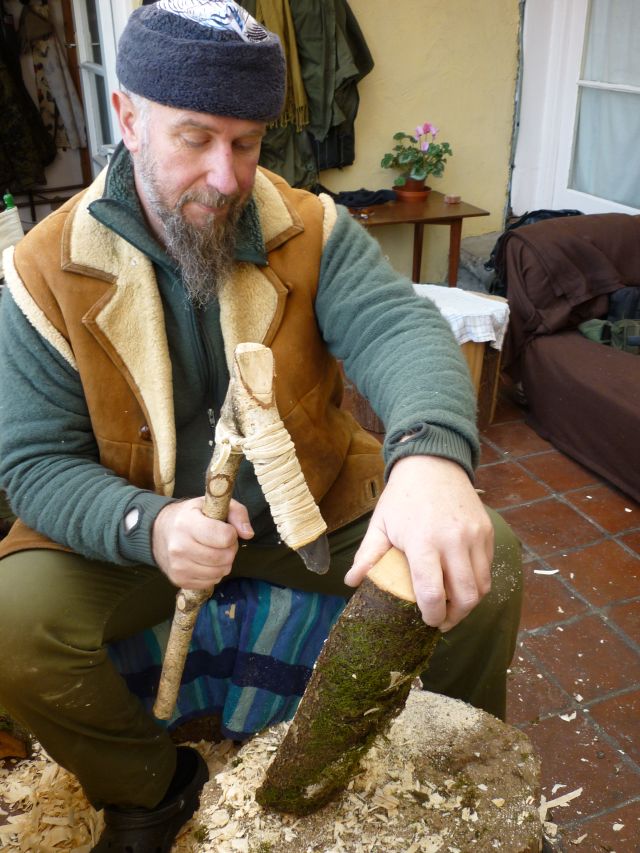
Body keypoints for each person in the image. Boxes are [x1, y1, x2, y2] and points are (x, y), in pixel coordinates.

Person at [0, 2, 522, 850]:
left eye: (247, 143)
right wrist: (149, 525)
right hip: (135, 531)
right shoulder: (41, 269)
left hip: (302, 507)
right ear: (128, 117)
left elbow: (397, 327)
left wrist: (432, 457)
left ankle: (429, 777)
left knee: (487, 562)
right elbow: (33, 464)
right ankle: (149, 787)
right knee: (12, 623)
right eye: (196, 138)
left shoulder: (309, 226)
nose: (227, 176)